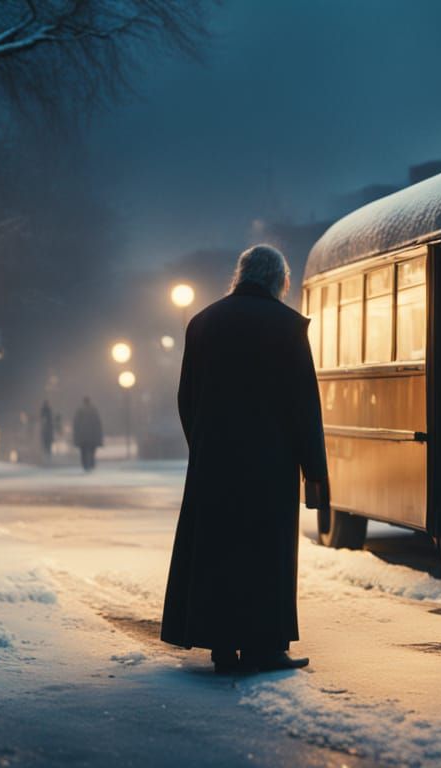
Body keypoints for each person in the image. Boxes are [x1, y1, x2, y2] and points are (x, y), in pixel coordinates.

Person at [161, 244, 329, 674]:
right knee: (264, 555)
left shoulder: (201, 324)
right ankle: (265, 647)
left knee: (218, 551)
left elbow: (186, 398)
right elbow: (304, 406)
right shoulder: (288, 328)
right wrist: (314, 472)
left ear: (239, 275)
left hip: (213, 463)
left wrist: (203, 444)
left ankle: (221, 646)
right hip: (270, 466)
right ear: (280, 282)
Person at [72, 398, 103, 471]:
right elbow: (97, 423)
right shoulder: (93, 410)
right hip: (92, 436)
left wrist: (77, 435)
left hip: (82, 436)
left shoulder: (80, 411)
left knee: (83, 452)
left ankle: (85, 465)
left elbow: (76, 424)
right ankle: (91, 464)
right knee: (92, 451)